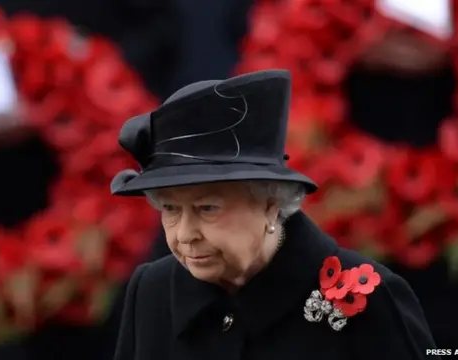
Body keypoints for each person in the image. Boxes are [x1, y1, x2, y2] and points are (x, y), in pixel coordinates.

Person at [110, 69, 439, 360]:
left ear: (270, 203)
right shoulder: (152, 290)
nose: (184, 234)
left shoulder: (366, 294)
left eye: (206, 208)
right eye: (170, 209)